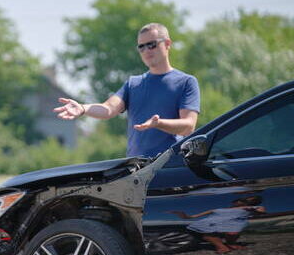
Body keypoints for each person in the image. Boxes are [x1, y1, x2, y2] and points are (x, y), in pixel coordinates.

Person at [53, 23, 201, 158]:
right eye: (141, 47)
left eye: (152, 45)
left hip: (170, 166)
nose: (146, 50)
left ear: (167, 44)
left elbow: (188, 126)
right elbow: (108, 109)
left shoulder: (186, 82)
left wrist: (159, 123)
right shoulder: (133, 84)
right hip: (135, 171)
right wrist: (83, 108)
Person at [169, 196, 265, 254]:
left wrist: (254, 209)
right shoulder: (218, 209)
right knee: (208, 235)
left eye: (243, 201)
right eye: (238, 201)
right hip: (210, 224)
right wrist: (182, 214)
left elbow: (261, 211)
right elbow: (191, 217)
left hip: (232, 224)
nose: (239, 202)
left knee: (232, 233)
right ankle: (222, 247)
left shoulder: (251, 208)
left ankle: (230, 244)